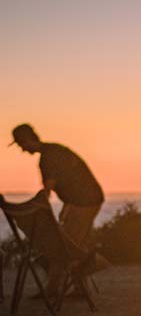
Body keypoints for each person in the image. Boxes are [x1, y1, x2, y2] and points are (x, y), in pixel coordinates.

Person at [9, 123, 105, 295]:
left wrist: (36, 210)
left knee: (66, 246)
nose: (23, 150)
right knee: (71, 242)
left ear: (28, 140)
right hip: (81, 200)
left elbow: (47, 191)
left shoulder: (48, 158)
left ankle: (55, 289)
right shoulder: (54, 151)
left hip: (85, 202)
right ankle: (77, 288)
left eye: (22, 145)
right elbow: (68, 182)